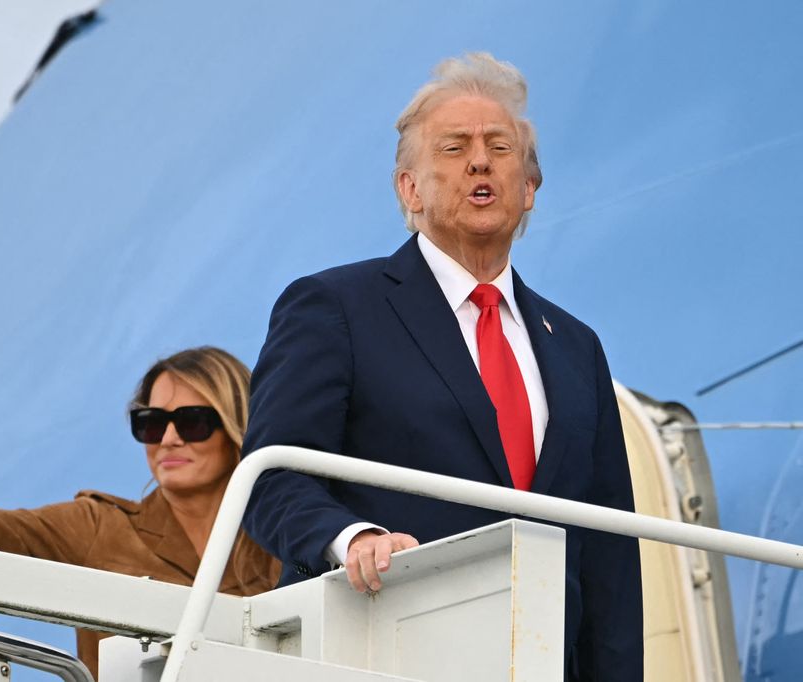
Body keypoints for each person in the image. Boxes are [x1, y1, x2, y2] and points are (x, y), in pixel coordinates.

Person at [242, 53, 643, 680]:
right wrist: (352, 539)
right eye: (454, 148)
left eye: (500, 147)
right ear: (410, 189)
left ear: (531, 186)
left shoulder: (576, 346)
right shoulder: (336, 307)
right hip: (384, 650)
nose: (480, 161)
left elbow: (609, 554)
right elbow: (272, 479)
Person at [0, 249, 279, 679]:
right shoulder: (100, 529)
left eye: (192, 421)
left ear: (235, 428)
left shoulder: (284, 536)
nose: (169, 438)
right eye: (150, 423)